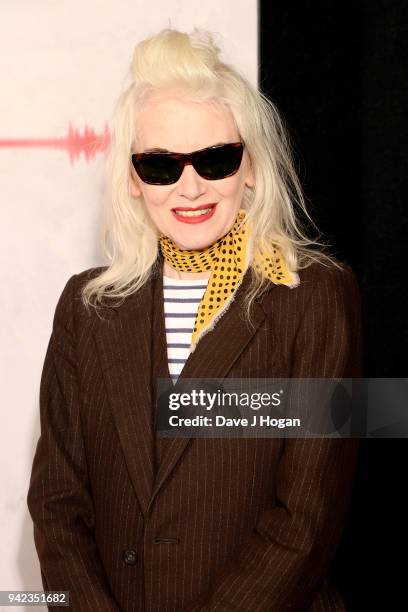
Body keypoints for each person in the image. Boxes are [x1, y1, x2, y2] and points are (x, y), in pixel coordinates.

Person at [27, 28, 363, 611]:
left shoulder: (316, 297)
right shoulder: (86, 308)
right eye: (160, 166)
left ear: (250, 166)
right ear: (133, 178)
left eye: (214, 159)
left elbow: (306, 518)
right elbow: (57, 504)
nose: (190, 187)